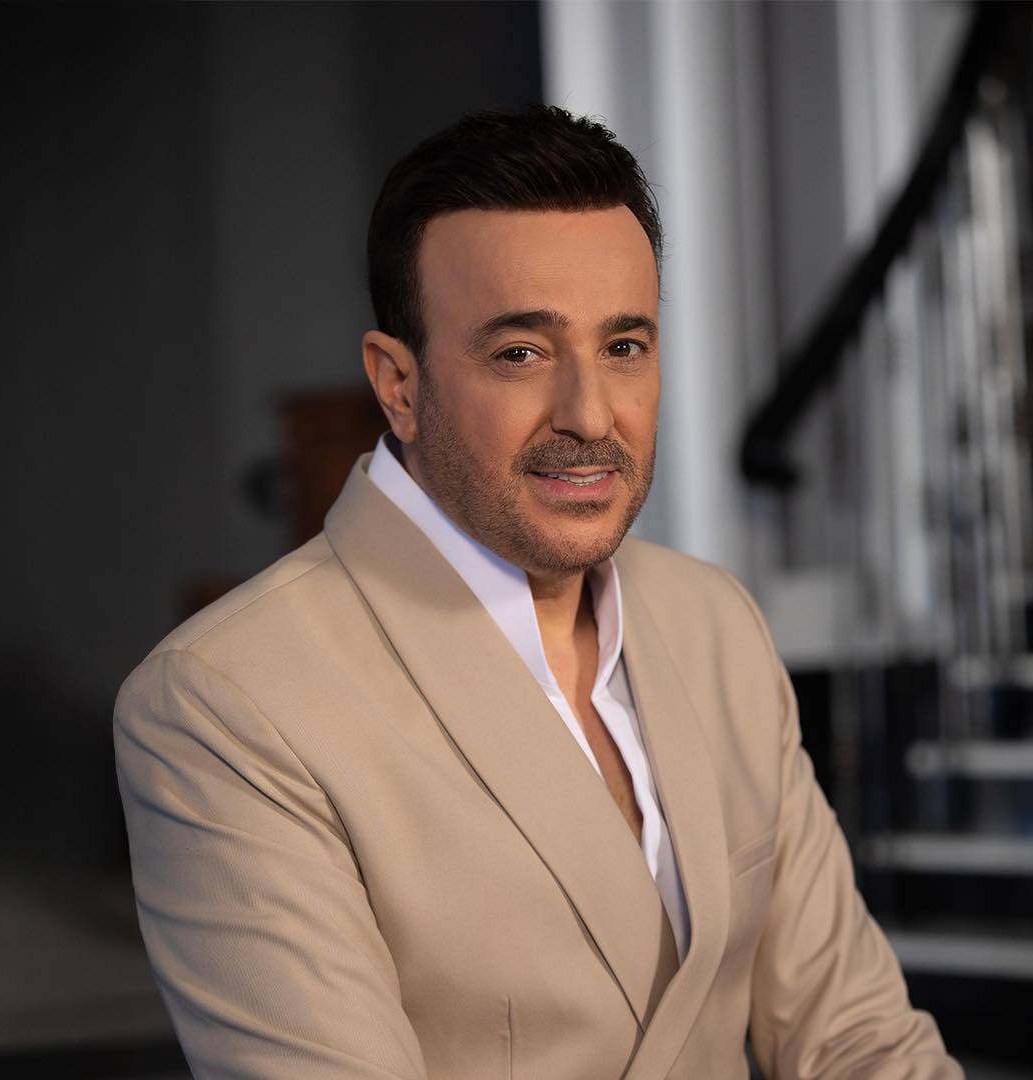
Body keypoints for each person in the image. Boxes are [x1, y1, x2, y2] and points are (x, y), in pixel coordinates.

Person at [114, 106, 961, 1079]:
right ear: (397, 384)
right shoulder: (224, 702)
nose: (590, 415)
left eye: (624, 347)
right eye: (521, 352)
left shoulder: (715, 622)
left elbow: (857, 1036)